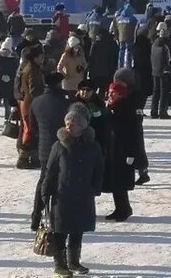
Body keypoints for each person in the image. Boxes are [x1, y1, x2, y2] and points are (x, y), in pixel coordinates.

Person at [42, 103, 103, 277]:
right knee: (60, 231)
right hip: (63, 196)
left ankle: (73, 261)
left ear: (83, 125)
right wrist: (46, 191)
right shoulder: (59, 146)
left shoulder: (93, 146)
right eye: (68, 121)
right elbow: (50, 170)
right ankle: (60, 264)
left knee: (78, 230)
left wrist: (95, 188)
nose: (69, 124)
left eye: (74, 122)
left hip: (83, 196)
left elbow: (99, 169)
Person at [29, 72, 72, 231]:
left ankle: (36, 215)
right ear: (58, 84)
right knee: (62, 182)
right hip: (63, 147)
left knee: (43, 182)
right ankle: (58, 216)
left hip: (44, 148)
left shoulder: (36, 101)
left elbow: (31, 126)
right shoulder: (64, 102)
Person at [103, 80, 141, 222]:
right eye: (110, 92)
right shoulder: (111, 107)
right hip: (113, 150)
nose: (110, 94)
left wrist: (132, 153)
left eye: (113, 92)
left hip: (123, 152)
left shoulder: (126, 109)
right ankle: (119, 208)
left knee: (120, 183)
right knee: (115, 182)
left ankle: (124, 209)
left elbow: (133, 134)